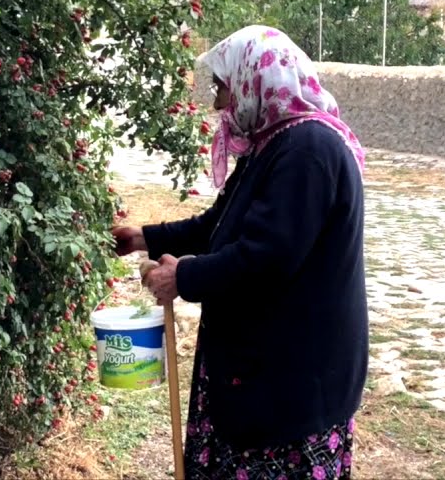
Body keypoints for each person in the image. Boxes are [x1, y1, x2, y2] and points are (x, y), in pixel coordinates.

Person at [112, 25, 369, 480]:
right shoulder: (273, 145)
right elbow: (218, 225)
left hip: (293, 382)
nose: (217, 104)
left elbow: (267, 257)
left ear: (256, 80)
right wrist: (145, 238)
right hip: (264, 368)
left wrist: (183, 278)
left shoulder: (308, 150)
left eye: (223, 88)